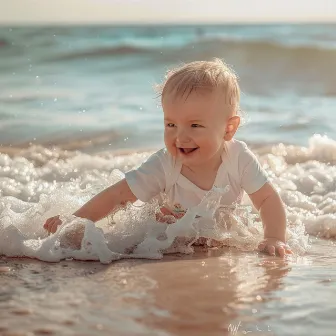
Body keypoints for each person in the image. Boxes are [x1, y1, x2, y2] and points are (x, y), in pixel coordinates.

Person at [44, 58, 292, 257]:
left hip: (217, 241)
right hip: (168, 239)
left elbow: (267, 199)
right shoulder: (165, 163)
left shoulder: (238, 158)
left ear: (228, 129)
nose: (180, 137)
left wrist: (273, 237)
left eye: (195, 125)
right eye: (171, 124)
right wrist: (74, 221)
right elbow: (118, 196)